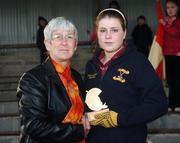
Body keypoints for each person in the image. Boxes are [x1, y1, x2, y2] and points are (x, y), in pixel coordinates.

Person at [84, 8, 168, 143]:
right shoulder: (91, 65)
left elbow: (159, 104)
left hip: (128, 137)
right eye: (103, 30)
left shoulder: (137, 62)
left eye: (114, 30)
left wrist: (119, 118)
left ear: (124, 33)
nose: (107, 36)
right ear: (97, 34)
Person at [17, 17, 90, 143]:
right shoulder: (32, 79)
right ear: (47, 44)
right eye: (57, 37)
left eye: (69, 37)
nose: (64, 42)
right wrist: (79, 131)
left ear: (76, 45)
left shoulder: (76, 77)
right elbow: (34, 126)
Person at [158, 0, 180, 111]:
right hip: (168, 53)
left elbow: (176, 33)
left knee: (177, 80)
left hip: (177, 54)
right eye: (167, 7)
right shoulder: (167, 21)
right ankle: (172, 103)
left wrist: (165, 24)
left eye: (173, 7)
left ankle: (177, 103)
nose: (170, 10)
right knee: (170, 80)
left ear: (178, 8)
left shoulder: (178, 21)